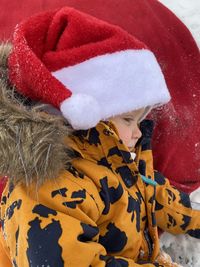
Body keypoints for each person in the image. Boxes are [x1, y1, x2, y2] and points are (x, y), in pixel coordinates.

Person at [0, 7, 199, 267]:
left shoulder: (116, 158)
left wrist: (193, 218)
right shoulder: (48, 190)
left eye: (140, 121)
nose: (138, 132)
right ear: (85, 121)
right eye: (128, 119)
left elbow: (152, 194)